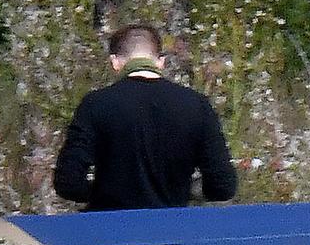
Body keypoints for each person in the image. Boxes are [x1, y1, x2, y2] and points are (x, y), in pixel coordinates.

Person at [53, 24, 238, 211]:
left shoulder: (95, 104)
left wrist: (105, 193)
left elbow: (68, 182)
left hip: (111, 229)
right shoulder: (197, 105)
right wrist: (182, 190)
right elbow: (223, 186)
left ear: (115, 62)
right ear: (161, 62)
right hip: (173, 228)